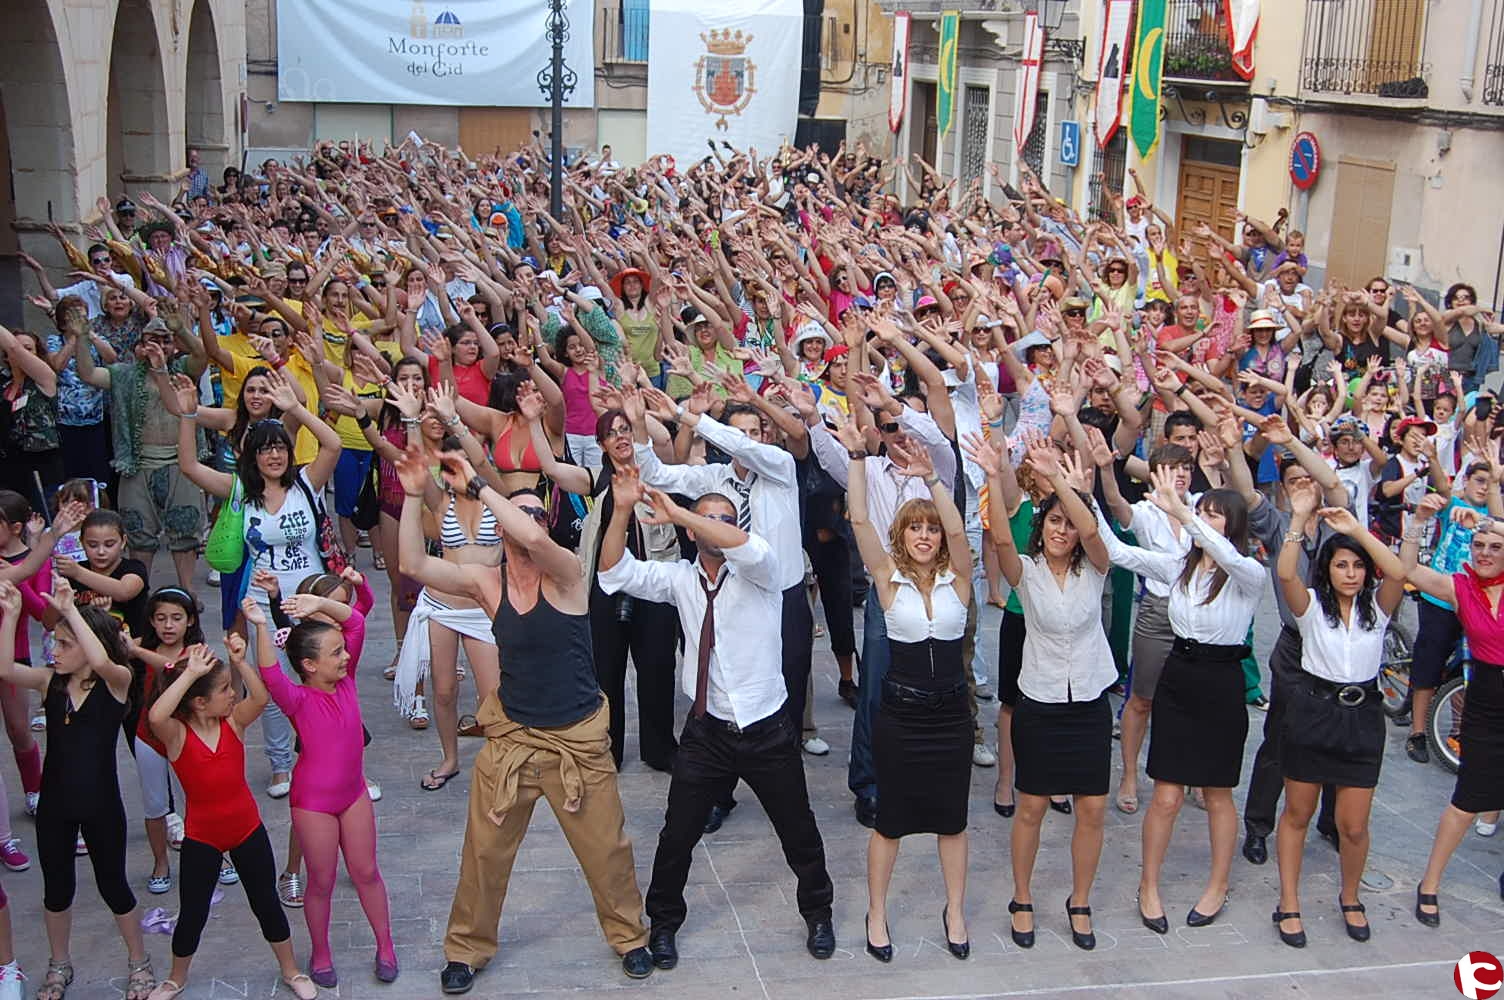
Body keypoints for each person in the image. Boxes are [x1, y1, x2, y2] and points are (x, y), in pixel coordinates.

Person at [391, 444, 653, 993]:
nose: (531, 521)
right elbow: (413, 565)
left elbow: (534, 539)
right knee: (483, 854)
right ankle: (466, 949)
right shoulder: (488, 583)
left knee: (607, 852)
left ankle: (630, 937)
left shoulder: (567, 574)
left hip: (576, 741)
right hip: (513, 739)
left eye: (537, 512)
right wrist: (414, 496)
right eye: (521, 512)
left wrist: (480, 486)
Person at [597, 466, 836, 971]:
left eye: (725, 520)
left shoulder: (761, 570)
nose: (716, 527)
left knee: (798, 831)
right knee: (677, 835)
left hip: (767, 729)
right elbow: (614, 573)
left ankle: (818, 913)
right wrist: (620, 511)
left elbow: (744, 546)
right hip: (707, 731)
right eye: (707, 519)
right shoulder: (681, 580)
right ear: (691, 534)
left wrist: (682, 512)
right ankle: (663, 925)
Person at [1095, 470, 1264, 932]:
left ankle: (1218, 884)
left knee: (1218, 793)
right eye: (1202, 511)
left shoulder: (1247, 573)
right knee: (1166, 795)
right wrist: (1082, 496)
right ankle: (1148, 885)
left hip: (1223, 681)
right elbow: (1117, 552)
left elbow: (1225, 554)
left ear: (1233, 525)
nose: (1203, 520)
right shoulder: (1178, 567)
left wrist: (1184, 514)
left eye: (1215, 515)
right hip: (1179, 676)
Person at [841, 416, 973, 962]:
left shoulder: (958, 578)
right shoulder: (886, 579)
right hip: (901, 716)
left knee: (952, 820)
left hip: (951, 717)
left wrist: (933, 480)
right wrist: (856, 458)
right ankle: (876, 912)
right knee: (890, 822)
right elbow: (859, 518)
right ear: (902, 536)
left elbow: (961, 534)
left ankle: (955, 910)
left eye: (931, 529)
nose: (925, 535)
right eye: (915, 528)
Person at [977, 435, 1115, 951]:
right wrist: (994, 474)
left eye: (1068, 523)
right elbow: (1002, 541)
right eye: (1053, 521)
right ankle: (1022, 898)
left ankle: (1080, 901)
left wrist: (1058, 477)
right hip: (1039, 703)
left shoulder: (1095, 568)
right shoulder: (1027, 572)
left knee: (1092, 808)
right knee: (1032, 806)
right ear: (1042, 526)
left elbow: (1093, 529)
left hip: (1089, 704)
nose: (1062, 530)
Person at [0, 576, 157, 1000]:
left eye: (65, 644)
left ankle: (139, 961)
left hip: (101, 805)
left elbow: (103, 663)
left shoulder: (116, 681)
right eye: (56, 642)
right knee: (56, 891)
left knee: (114, 886)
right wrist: (11, 616)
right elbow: (5, 669)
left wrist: (71, 611)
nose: (55, 651)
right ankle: (59, 963)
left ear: (90, 646)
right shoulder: (49, 683)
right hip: (56, 805)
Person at [144, 630, 317, 1000]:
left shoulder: (233, 722)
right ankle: (176, 978)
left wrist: (239, 661)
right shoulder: (176, 735)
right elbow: (156, 713)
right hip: (202, 836)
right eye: (224, 689)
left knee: (266, 904)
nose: (232, 694)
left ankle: (291, 970)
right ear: (199, 703)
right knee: (193, 913)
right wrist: (190, 673)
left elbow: (261, 697)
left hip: (246, 830)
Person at [247, 575, 396, 988]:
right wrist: (260, 626)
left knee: (366, 871)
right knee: (322, 881)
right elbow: (269, 673)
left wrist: (319, 605)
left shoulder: (347, 682)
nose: (346, 656)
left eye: (343, 650)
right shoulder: (297, 699)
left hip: (352, 795)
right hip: (314, 803)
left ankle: (385, 946)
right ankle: (321, 952)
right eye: (335, 653)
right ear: (310, 665)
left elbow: (356, 623)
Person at [1271, 495, 1406, 947]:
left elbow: (1399, 572)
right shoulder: (1311, 608)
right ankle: (1289, 901)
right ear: (1326, 570)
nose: (1350, 574)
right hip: (1314, 712)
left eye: (1358, 566)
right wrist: (1299, 517)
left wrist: (1357, 531)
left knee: (1354, 826)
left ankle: (1350, 897)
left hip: (1362, 717)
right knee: (1298, 813)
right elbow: (1285, 573)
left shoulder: (1378, 610)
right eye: (1341, 565)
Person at [1403, 497, 1504, 928]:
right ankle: (1429, 883)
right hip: (1487, 705)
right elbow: (1408, 570)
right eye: (1478, 545)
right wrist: (1418, 522)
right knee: (1466, 801)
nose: (1484, 553)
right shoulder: (1460, 588)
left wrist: (1487, 519)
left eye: (1494, 547)